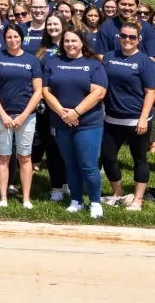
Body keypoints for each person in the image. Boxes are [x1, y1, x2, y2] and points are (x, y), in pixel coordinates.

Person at [42, 29, 109, 217]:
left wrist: (76, 112)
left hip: (88, 123)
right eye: (66, 41)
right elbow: (45, 91)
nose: (70, 44)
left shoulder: (93, 64)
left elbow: (99, 92)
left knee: (88, 165)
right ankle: (76, 200)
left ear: (82, 43)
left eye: (74, 41)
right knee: (70, 163)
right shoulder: (53, 62)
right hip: (61, 121)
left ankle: (95, 202)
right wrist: (62, 113)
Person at [99, 20, 155, 211]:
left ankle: (138, 200)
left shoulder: (144, 62)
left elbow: (150, 91)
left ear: (138, 40)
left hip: (136, 119)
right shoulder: (108, 57)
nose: (127, 40)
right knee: (107, 157)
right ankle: (118, 194)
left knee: (139, 158)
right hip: (112, 118)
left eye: (132, 37)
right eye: (123, 36)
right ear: (119, 37)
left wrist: (143, 118)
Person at [0, 22, 43, 209]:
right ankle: (3, 197)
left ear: (22, 38)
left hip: (26, 116)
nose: (12, 40)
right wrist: (3, 114)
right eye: (9, 37)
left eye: (16, 37)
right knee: (3, 156)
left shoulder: (32, 60)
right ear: (4, 38)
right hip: (1, 116)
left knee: (25, 156)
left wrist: (23, 116)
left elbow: (38, 91)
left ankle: (26, 198)